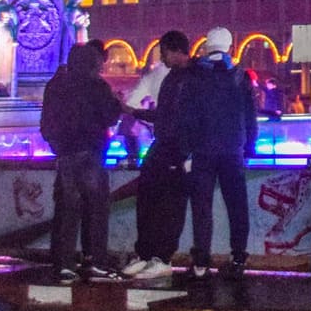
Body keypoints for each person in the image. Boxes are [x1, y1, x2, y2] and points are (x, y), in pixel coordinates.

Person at [174, 27, 257, 279]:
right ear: (230, 47)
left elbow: (185, 117)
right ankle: (239, 256)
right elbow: (250, 116)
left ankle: (201, 260)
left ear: (206, 47)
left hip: (202, 150)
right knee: (236, 204)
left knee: (202, 206)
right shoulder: (240, 76)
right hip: (233, 150)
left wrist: (185, 151)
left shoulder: (193, 76)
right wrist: (249, 145)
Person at [39, 41, 124, 282]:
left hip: (65, 153)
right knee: (96, 208)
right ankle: (95, 261)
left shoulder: (55, 85)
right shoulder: (96, 85)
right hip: (90, 151)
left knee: (66, 209)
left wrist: (56, 144)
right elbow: (109, 116)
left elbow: (46, 123)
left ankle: (64, 264)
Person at [118, 31, 193, 281]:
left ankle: (162, 256)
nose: (161, 58)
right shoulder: (172, 77)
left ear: (174, 51)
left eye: (163, 52)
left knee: (170, 204)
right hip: (164, 143)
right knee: (148, 197)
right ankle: (147, 253)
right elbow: (165, 114)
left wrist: (189, 151)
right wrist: (140, 114)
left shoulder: (191, 78)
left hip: (179, 146)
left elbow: (180, 116)